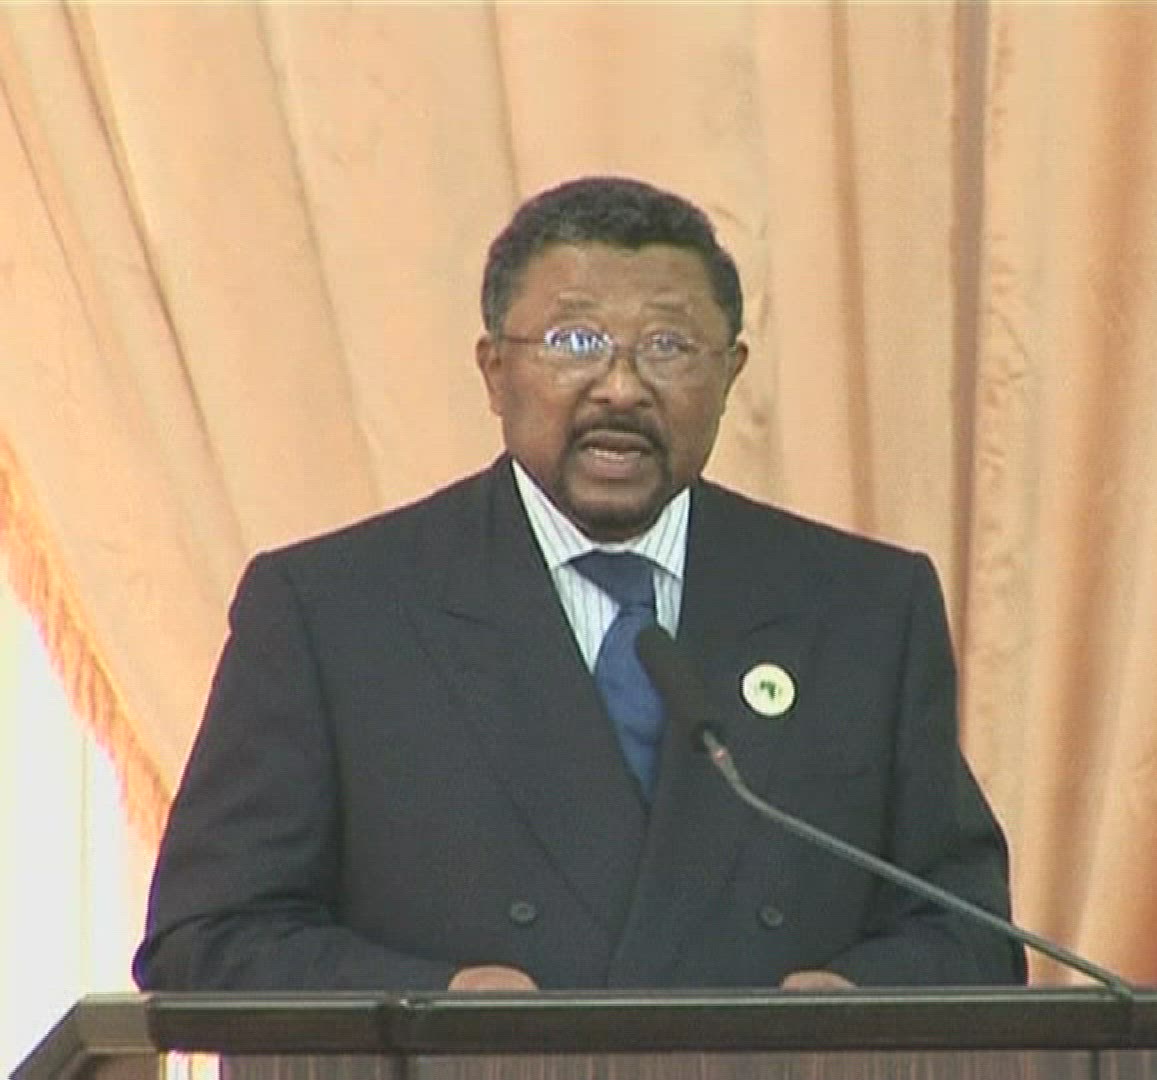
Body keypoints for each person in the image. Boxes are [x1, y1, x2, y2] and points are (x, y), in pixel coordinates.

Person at [134, 176, 1025, 992]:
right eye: (574, 342)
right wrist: (433, 1003)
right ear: (495, 370)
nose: (621, 388)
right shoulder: (335, 613)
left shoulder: (865, 610)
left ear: (730, 375)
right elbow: (207, 937)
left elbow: (971, 935)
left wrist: (857, 1002)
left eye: (669, 345)